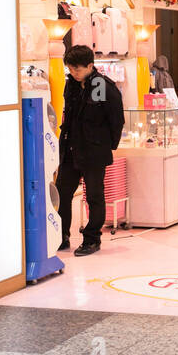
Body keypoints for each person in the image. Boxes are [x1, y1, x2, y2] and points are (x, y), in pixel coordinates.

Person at [56, 45, 124, 256]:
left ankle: (92, 239)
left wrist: (107, 145)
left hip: (93, 151)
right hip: (71, 149)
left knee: (94, 196)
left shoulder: (100, 85)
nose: (74, 73)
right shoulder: (71, 85)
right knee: (62, 193)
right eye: (70, 69)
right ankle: (61, 236)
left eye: (78, 69)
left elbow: (116, 120)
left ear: (90, 66)